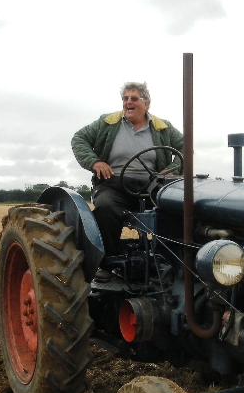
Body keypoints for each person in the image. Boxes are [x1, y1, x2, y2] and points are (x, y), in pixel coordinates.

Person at [71, 82, 184, 265]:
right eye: (125, 98)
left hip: (153, 186)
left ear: (146, 103)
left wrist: (172, 169)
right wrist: (95, 162)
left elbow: (185, 148)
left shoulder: (162, 127)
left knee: (174, 210)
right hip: (113, 184)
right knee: (106, 209)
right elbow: (79, 139)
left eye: (133, 98)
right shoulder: (107, 123)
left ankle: (167, 261)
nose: (128, 102)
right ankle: (109, 262)